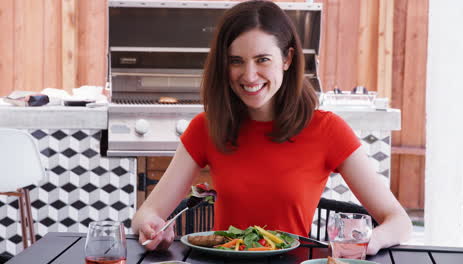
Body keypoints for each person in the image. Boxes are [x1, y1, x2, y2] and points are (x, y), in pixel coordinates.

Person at [131, 0, 412, 254]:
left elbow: (398, 221)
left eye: (262, 59)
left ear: (287, 59)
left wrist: (368, 242)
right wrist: (151, 227)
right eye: (236, 61)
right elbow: (146, 214)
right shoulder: (207, 127)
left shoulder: (328, 130)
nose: (249, 75)